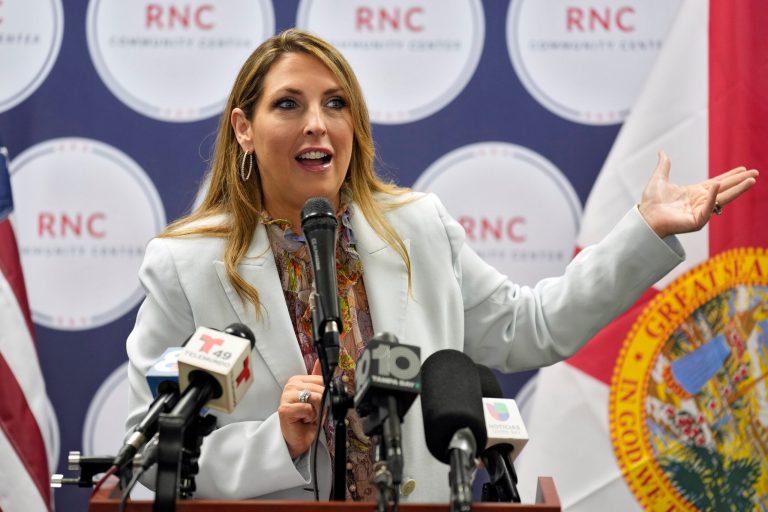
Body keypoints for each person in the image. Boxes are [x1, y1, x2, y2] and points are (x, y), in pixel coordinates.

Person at [125, 28, 758, 503]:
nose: (317, 124)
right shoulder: (186, 264)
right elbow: (153, 451)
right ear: (243, 128)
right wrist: (277, 442)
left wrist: (643, 231)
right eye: (288, 104)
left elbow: (532, 327)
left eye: (336, 104)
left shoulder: (416, 228)